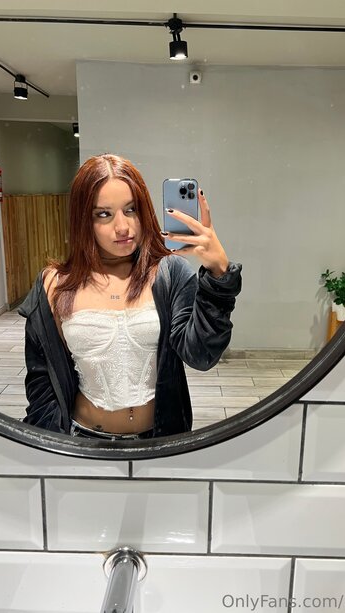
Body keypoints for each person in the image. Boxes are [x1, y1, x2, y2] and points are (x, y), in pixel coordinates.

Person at [18, 154, 242, 440]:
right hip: (83, 440)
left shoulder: (169, 273)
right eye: (104, 214)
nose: (122, 227)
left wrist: (218, 274)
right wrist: (52, 446)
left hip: (160, 440)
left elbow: (202, 356)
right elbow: (41, 380)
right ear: (83, 219)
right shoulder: (54, 284)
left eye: (131, 209)